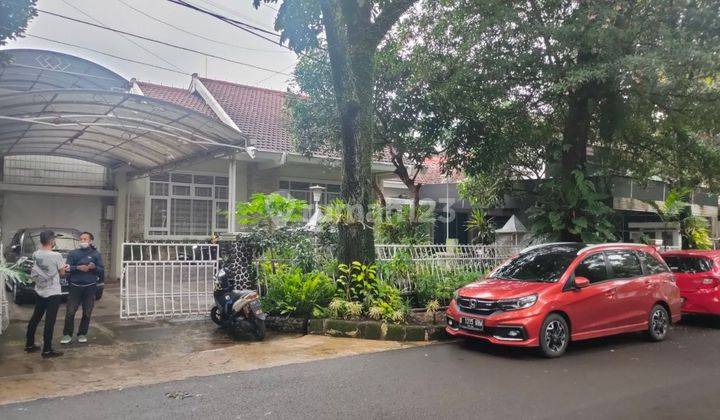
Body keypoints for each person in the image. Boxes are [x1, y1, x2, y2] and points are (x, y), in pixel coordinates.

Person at [25, 230, 66, 358]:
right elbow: (62, 273)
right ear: (51, 240)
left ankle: (29, 345)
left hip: (40, 290)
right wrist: (64, 268)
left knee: (35, 317)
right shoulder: (56, 256)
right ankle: (47, 350)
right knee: (50, 321)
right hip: (53, 292)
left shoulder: (36, 254)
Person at [61, 232, 103, 344]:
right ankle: (67, 334)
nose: (82, 241)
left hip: (90, 288)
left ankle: (82, 333)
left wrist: (93, 268)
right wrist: (78, 267)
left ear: (90, 241)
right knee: (70, 312)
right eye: (81, 239)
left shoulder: (96, 254)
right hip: (75, 287)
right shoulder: (73, 253)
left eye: (85, 239)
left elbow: (101, 270)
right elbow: (67, 268)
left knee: (87, 312)